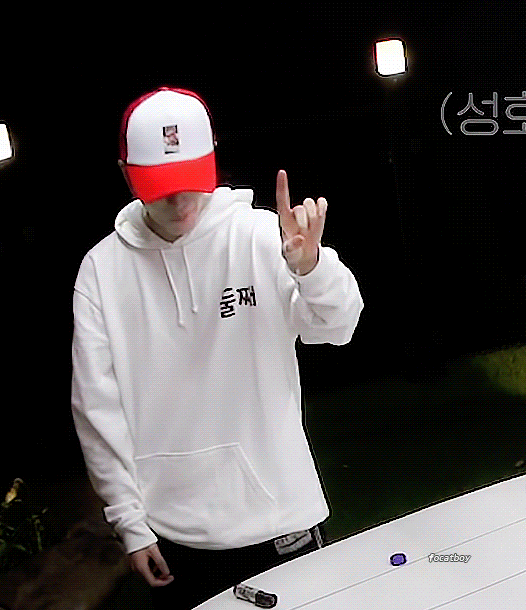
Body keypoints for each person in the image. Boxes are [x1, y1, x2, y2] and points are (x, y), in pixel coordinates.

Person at [70, 87, 364, 609]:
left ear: (211, 159)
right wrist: (128, 521)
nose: (179, 201)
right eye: (161, 186)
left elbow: (338, 326)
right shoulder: (102, 271)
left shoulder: (262, 236)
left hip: (280, 518)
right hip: (173, 533)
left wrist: (312, 268)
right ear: (126, 174)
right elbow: (97, 406)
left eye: (189, 180)